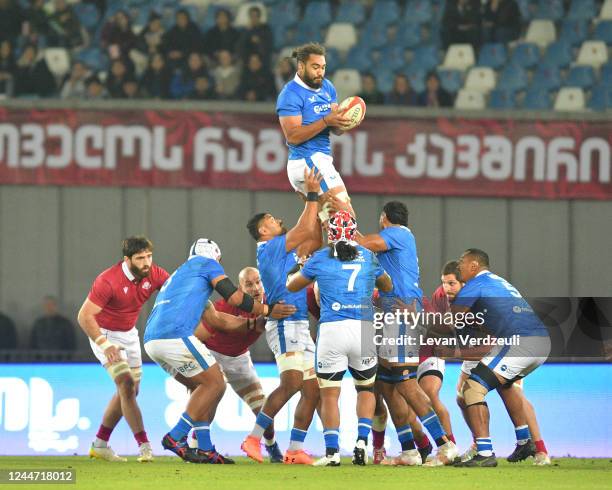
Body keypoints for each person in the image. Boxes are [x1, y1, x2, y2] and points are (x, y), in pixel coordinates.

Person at [144, 238, 295, 464]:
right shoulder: (208, 264)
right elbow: (232, 298)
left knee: (204, 387)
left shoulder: (186, 275)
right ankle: (176, 436)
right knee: (215, 383)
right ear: (215, 256)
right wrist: (267, 310)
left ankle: (205, 449)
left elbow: (217, 319)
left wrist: (255, 322)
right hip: (176, 336)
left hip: (152, 341)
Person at [355, 201, 458, 466]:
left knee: (406, 382)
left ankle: (445, 445)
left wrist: (342, 225)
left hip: (402, 312)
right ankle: (409, 451)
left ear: (384, 218)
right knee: (388, 386)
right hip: (391, 311)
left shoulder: (398, 233)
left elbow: (365, 243)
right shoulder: (399, 238)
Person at [287, 210, 393, 466]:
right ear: (354, 231)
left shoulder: (321, 258)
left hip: (332, 330)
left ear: (329, 233)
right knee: (366, 389)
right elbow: (387, 286)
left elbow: (292, 285)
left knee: (330, 395)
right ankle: (361, 442)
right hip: (362, 328)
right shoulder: (368, 256)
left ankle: (333, 452)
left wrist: (301, 268)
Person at [241, 168, 323, 465]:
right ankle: (252, 439)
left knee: (313, 391)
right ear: (264, 231)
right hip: (286, 322)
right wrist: (312, 196)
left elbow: (310, 237)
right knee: (291, 384)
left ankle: (294, 450)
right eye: (272, 220)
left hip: (299, 322)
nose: (277, 221)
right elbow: (303, 231)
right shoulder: (271, 247)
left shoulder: (281, 249)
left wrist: (314, 207)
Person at [450, 248, 551, 467]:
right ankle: (525, 441)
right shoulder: (498, 282)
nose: (459, 266)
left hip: (520, 342)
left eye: (462, 262)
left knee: (472, 388)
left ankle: (485, 453)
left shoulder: (476, 284)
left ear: (474, 266)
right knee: (507, 385)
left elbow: (453, 317)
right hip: (540, 341)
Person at [77, 236, 169, 463]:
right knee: (126, 384)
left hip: (130, 334)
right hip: (105, 334)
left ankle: (99, 444)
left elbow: (175, 292)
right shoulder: (108, 280)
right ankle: (144, 445)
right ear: (127, 259)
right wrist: (104, 343)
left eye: (149, 256)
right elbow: (84, 316)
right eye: (140, 258)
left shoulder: (154, 273)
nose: (147, 262)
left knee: (131, 390)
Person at [199, 266, 283, 462]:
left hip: (239, 360)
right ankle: (196, 447)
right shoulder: (222, 307)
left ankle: (272, 446)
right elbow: (198, 335)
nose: (255, 288)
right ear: (239, 289)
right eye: (249, 284)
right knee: (205, 410)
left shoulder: (270, 304)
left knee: (264, 413)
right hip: (212, 357)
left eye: (258, 282)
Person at [276, 42, 355, 222]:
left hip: (318, 159)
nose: (320, 72)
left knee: (329, 225)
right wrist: (326, 120)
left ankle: (309, 252)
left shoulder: (327, 87)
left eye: (323, 67)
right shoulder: (290, 94)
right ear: (301, 66)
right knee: (346, 217)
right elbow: (293, 136)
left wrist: (345, 121)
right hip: (307, 160)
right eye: (315, 67)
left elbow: (336, 130)